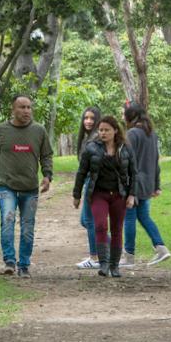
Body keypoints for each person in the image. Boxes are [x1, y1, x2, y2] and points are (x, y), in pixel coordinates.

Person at [0, 95, 53, 278]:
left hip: (30, 188)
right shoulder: (1, 131)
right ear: (13, 110)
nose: (26, 111)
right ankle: (10, 262)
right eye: (22, 107)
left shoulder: (39, 131)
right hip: (7, 186)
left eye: (29, 107)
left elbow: (46, 155)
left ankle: (25, 265)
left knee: (28, 227)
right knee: (7, 220)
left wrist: (47, 175)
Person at [73, 115, 136, 277]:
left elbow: (133, 174)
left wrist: (131, 195)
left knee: (117, 229)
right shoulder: (91, 148)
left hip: (118, 195)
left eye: (106, 130)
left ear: (115, 131)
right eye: (100, 130)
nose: (103, 133)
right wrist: (77, 194)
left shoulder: (125, 148)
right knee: (100, 226)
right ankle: (103, 264)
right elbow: (82, 172)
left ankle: (114, 266)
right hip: (98, 194)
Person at [120, 103, 171, 268]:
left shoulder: (132, 134)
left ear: (131, 116)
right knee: (143, 217)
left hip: (133, 184)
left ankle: (128, 256)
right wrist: (156, 185)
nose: (122, 117)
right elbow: (156, 161)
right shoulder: (152, 134)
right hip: (147, 183)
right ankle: (161, 247)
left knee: (129, 218)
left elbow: (126, 162)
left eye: (124, 114)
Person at [75, 106, 102, 269]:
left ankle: (95, 256)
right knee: (86, 220)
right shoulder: (87, 138)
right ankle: (112, 248)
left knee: (89, 220)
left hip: (93, 182)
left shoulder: (96, 138)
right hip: (88, 181)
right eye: (86, 118)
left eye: (92, 118)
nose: (89, 121)